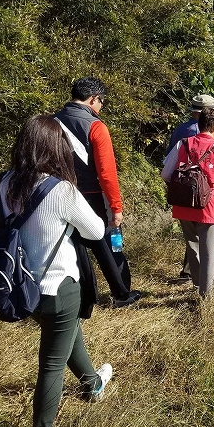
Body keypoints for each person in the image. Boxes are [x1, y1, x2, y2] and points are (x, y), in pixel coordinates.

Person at [0, 115, 112, 427]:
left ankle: (92, 385)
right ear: (56, 149)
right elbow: (96, 230)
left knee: (66, 333)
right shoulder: (62, 190)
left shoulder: (5, 182)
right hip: (58, 286)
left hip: (21, 286)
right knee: (51, 363)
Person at [55, 77, 141, 307]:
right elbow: (107, 174)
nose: (101, 106)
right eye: (101, 101)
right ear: (93, 99)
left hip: (60, 194)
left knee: (76, 248)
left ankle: (86, 299)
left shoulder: (51, 123)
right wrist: (116, 207)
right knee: (111, 244)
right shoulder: (95, 126)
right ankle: (121, 293)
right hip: (93, 197)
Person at [162, 107, 214, 297]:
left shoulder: (183, 144)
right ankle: (207, 295)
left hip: (183, 205)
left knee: (193, 246)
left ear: (199, 124)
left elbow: (165, 173)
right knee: (208, 253)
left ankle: (198, 284)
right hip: (208, 207)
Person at [167, 94, 214, 281]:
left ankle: (191, 272)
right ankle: (198, 276)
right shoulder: (195, 133)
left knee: (190, 234)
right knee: (201, 238)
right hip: (198, 190)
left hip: (178, 183)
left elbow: (169, 162)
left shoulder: (180, 128)